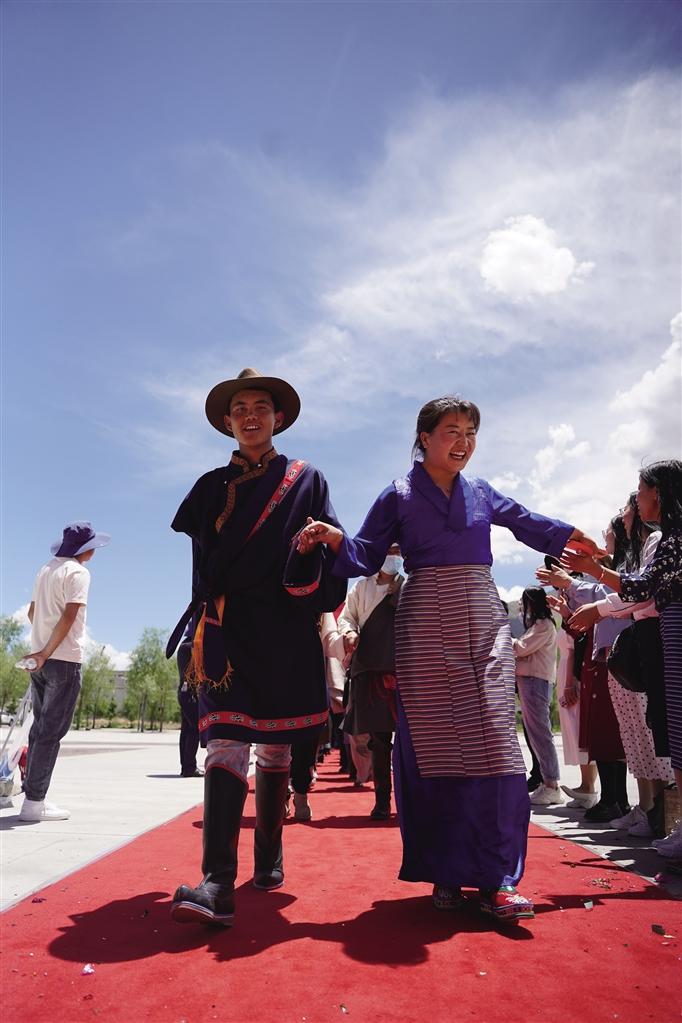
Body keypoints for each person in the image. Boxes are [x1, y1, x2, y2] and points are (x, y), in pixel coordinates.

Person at [298, 395, 596, 923]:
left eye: (471, 432)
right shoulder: (398, 493)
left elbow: (523, 520)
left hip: (481, 618)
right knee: (436, 748)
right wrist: (334, 537)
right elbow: (364, 553)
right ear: (425, 437)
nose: (464, 442)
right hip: (424, 626)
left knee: (496, 745)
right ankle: (445, 871)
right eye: (452, 431)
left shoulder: (481, 490)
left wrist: (569, 535)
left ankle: (499, 880)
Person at [168, 368, 346, 927]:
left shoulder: (307, 479)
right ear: (227, 421)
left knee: (275, 748)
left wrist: (319, 546)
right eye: (240, 408)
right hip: (229, 629)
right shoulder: (206, 488)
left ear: (278, 417)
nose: (250, 416)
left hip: (287, 631)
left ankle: (268, 861)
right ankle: (217, 882)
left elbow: (332, 557)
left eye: (260, 407)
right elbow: (200, 568)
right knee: (224, 741)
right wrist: (203, 625)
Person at [564, 460, 682, 858]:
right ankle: (661, 815)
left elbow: (643, 588)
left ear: (659, 493)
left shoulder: (670, 539)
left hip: (668, 636)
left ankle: (664, 815)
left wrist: (593, 574)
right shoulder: (667, 538)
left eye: (642, 490)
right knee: (664, 729)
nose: (638, 498)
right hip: (663, 637)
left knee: (670, 729)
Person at [19, 521, 111, 822]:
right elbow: (71, 615)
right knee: (51, 732)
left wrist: (40, 648)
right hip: (63, 659)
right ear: (85, 550)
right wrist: (48, 651)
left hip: (40, 660)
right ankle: (34, 803)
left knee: (39, 729)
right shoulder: (78, 573)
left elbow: (32, 612)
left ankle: (31, 794)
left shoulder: (45, 570)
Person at [331, 544, 404, 819]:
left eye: (398, 552)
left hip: (405, 672)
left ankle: (411, 802)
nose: (394, 556)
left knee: (410, 741)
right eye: (390, 550)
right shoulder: (361, 588)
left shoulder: (410, 586)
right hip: (371, 672)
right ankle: (382, 802)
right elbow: (347, 618)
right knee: (379, 741)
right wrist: (350, 632)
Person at [513, 587, 562, 806]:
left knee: (541, 735)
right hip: (531, 682)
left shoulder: (543, 625)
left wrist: (506, 639)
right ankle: (547, 781)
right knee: (536, 735)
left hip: (535, 682)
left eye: (524, 603)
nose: (521, 607)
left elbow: (522, 648)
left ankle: (551, 784)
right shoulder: (538, 626)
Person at [176, 626, 204, 778]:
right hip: (191, 694)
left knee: (186, 729)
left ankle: (186, 767)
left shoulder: (183, 647)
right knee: (195, 728)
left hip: (184, 692)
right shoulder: (191, 647)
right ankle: (189, 767)